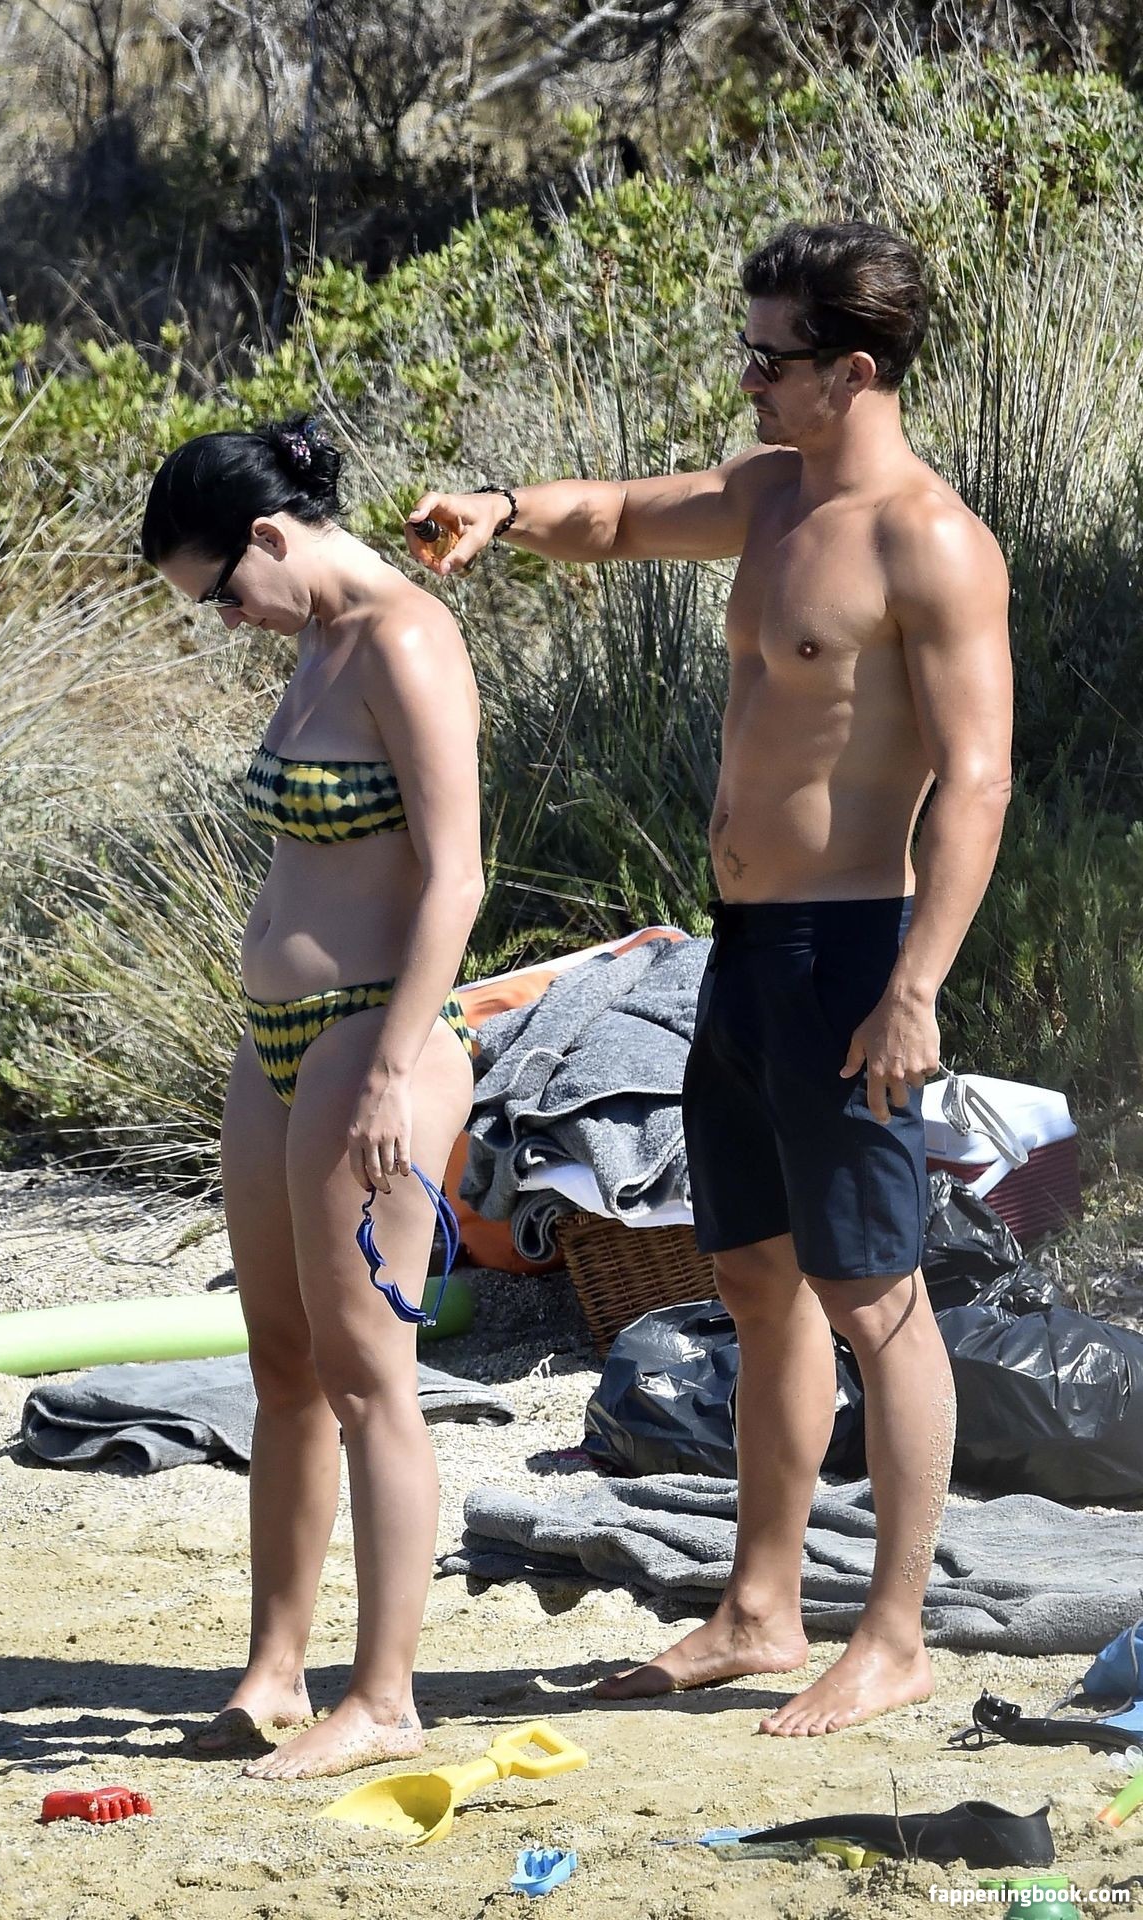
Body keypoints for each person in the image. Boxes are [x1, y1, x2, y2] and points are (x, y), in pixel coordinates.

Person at [405, 222, 1012, 1737]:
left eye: (770, 358)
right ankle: (758, 1607)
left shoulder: (929, 541)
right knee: (752, 1278)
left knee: (876, 1295)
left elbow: (980, 780)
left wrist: (917, 987)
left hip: (850, 954)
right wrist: (501, 508)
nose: (748, 380)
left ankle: (895, 1634)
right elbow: (616, 516)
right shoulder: (770, 495)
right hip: (738, 951)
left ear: (854, 369)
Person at [141, 415, 484, 1779]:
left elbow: (456, 875)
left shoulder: (407, 638)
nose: (223, 620)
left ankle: (385, 1695)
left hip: (372, 1035)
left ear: (271, 536)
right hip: (277, 1038)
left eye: (221, 592)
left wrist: (394, 1065)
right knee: (280, 1362)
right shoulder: (316, 641)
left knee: (366, 1374)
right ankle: (275, 1671)